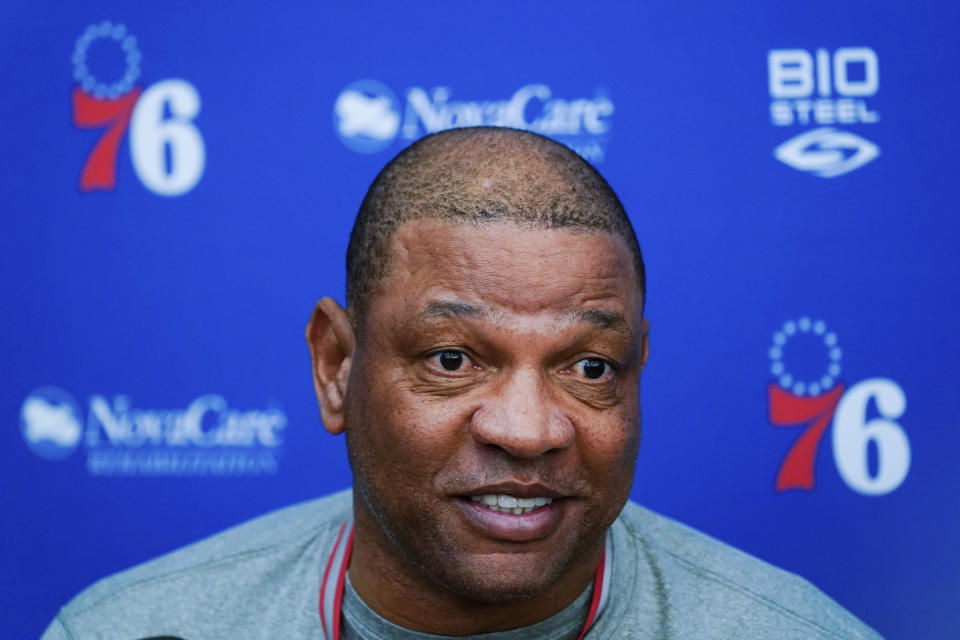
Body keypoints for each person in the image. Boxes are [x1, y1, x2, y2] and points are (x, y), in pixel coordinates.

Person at [42, 127, 881, 640]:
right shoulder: (129, 629)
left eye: (590, 368)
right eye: (452, 359)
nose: (528, 429)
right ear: (336, 366)